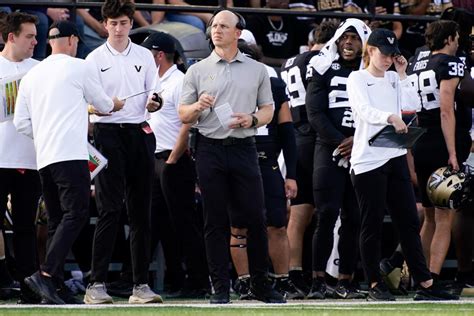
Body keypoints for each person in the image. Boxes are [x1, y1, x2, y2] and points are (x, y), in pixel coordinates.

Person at [13, 20, 124, 305]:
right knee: (76, 214)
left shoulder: (32, 75)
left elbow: (20, 122)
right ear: (73, 40)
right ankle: (47, 274)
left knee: (57, 221)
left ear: (50, 41)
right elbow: (103, 103)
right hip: (70, 154)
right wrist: (115, 104)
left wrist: (45, 133)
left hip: (44, 156)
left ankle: (56, 286)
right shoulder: (80, 66)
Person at [179, 9, 285, 304]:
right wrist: (198, 105)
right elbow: (183, 114)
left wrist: (250, 120)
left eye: (224, 26)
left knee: (255, 216)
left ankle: (262, 284)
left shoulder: (257, 70)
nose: (217, 30)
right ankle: (220, 287)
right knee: (214, 220)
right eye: (214, 25)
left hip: (244, 147)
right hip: (209, 147)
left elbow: (268, 110)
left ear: (238, 32)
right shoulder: (197, 70)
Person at [347, 27, 457, 301]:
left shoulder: (395, 78)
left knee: (408, 220)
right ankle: (373, 283)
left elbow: (412, 105)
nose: (387, 60)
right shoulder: (357, 77)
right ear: (370, 50)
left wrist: (405, 75)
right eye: (383, 54)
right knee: (370, 223)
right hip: (368, 160)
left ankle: (425, 281)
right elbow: (363, 110)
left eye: (391, 55)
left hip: (394, 155)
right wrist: (389, 118)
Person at [83, 0, 162, 305]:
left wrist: (154, 103)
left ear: (131, 23)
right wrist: (105, 105)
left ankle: (140, 285)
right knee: (109, 209)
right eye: (113, 23)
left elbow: (153, 95)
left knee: (142, 210)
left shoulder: (144, 55)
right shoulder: (92, 59)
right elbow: (87, 104)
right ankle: (96, 283)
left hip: (138, 133)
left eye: (123, 23)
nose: (118, 28)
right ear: (105, 24)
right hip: (106, 133)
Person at [230, 41, 300, 300]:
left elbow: (287, 133)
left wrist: (290, 173)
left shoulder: (273, 85)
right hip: (234, 157)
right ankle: (245, 281)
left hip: (265, 159)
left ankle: (281, 279)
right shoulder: (220, 83)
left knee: (277, 223)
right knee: (238, 226)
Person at [305, 18, 370, 300]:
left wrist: (359, 141)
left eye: (355, 38)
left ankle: (346, 279)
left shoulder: (370, 69)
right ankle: (318, 279)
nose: (348, 43)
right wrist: (342, 141)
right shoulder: (322, 67)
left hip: (364, 149)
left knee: (354, 217)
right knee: (326, 214)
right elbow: (314, 113)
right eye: (345, 37)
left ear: (364, 42)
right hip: (329, 148)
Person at [142, 31, 210, 297]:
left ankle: (198, 281)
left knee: (183, 222)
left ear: (159, 55)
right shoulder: (155, 81)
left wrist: (172, 158)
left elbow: (188, 122)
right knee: (158, 222)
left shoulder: (180, 81)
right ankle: (176, 279)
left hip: (174, 158)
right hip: (156, 158)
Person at [406, 20, 471, 285]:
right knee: (445, 216)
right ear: (449, 39)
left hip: (421, 139)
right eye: (456, 38)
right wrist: (453, 151)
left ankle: (417, 278)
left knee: (430, 217)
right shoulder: (449, 62)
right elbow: (447, 109)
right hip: (441, 141)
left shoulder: (417, 62)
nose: (458, 42)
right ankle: (430, 279)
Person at [279, 20, 338, 296]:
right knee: (321, 211)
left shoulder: (291, 61)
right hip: (314, 137)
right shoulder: (320, 60)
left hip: (294, 135)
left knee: (299, 213)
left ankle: (293, 274)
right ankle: (317, 276)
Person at [0, 11, 41, 304]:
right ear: (11, 37)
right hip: (0, 157)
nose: (35, 42)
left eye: (36, 36)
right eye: (29, 36)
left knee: (27, 225)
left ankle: (29, 285)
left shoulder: (41, 69)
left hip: (31, 158)